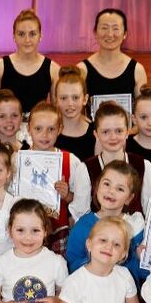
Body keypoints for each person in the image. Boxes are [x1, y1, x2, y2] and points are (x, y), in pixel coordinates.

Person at [18, 102, 92, 253]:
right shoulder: (17, 160)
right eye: (38, 129)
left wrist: (67, 195)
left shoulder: (70, 161)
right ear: (28, 129)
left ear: (60, 129)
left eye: (51, 129)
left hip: (58, 232)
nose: (45, 135)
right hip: (24, 232)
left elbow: (80, 201)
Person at [0, 10, 61, 117]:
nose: (27, 40)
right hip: (6, 131)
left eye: (32, 34)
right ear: (14, 36)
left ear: (40, 35)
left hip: (39, 131)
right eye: (21, 34)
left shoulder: (53, 70)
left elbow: (57, 115)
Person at [78, 9, 148, 109]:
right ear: (95, 33)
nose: (110, 34)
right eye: (104, 28)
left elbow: (142, 111)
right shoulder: (82, 70)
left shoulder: (137, 70)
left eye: (116, 28)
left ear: (125, 34)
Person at [53, 67, 95, 161]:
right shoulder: (49, 133)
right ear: (56, 100)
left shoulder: (95, 133)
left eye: (75, 98)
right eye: (64, 98)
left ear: (85, 99)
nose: (70, 104)